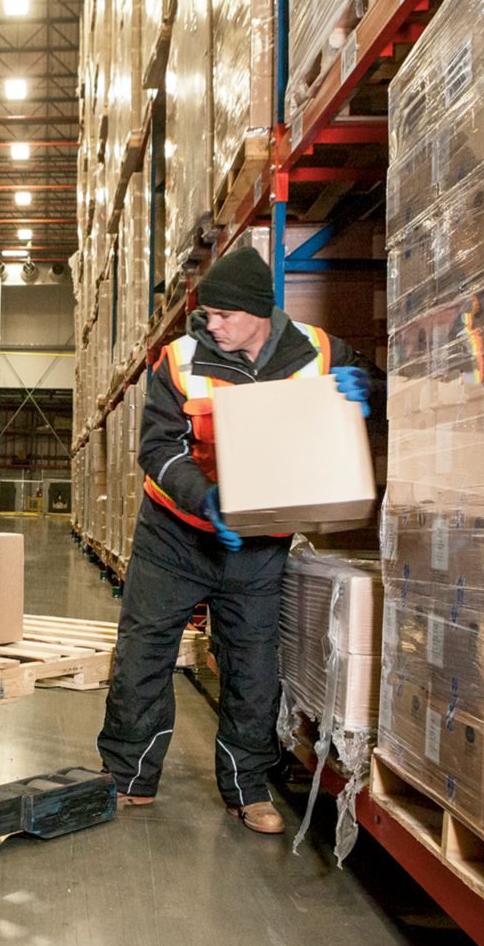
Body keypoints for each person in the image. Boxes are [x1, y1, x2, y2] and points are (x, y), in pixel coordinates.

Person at [97, 247, 384, 834]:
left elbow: (375, 390)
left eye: (224, 315)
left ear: (259, 313)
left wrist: (370, 390)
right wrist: (204, 498)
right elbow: (158, 447)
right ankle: (128, 777)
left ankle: (247, 789)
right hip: (175, 535)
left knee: (252, 667)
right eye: (208, 314)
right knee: (143, 654)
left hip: (258, 544)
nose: (212, 324)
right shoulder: (181, 360)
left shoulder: (319, 352)